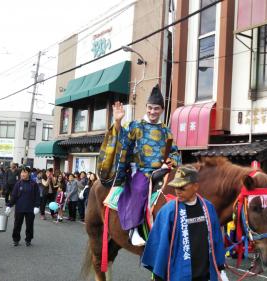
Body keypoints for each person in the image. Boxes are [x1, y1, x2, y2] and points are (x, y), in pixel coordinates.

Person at [97, 85, 181, 246]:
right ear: (146, 108)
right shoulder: (135, 125)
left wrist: (171, 161)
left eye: (156, 108)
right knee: (139, 189)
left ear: (162, 110)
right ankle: (133, 230)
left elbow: (174, 152)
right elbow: (121, 141)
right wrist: (117, 121)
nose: (153, 111)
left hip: (163, 171)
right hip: (141, 171)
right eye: (150, 108)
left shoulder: (166, 131)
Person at [141, 165, 228, 281]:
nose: (178, 191)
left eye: (182, 188)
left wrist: (219, 267)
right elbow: (159, 244)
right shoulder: (169, 211)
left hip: (205, 274)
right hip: (180, 274)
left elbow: (216, 238)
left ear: (195, 186)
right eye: (176, 187)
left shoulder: (208, 208)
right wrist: (159, 275)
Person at [5, 168, 40, 247]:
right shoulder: (18, 183)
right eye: (22, 173)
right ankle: (16, 239)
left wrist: (37, 206)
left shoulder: (34, 184)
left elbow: (37, 196)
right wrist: (9, 205)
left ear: (29, 173)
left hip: (30, 208)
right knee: (17, 224)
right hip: (19, 208)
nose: (23, 174)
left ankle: (28, 239)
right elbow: (14, 196)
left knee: (29, 225)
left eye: (25, 173)